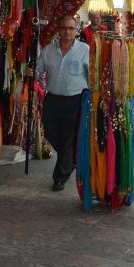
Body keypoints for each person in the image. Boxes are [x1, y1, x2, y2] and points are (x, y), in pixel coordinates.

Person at [27, 16, 90, 192]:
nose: (67, 32)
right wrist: (31, 71)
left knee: (69, 137)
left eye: (71, 28)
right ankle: (69, 159)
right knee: (50, 131)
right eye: (63, 28)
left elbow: (91, 76)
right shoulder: (48, 51)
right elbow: (38, 71)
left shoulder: (84, 50)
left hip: (75, 100)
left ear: (77, 30)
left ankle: (60, 177)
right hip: (53, 99)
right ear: (58, 29)